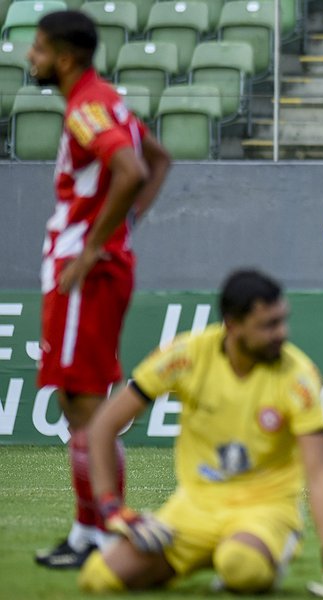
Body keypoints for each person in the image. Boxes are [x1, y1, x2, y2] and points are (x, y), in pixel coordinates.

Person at [78, 270, 323, 598]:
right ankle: (196, 557)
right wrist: (112, 507)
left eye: (282, 321)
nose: (282, 333)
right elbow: (103, 427)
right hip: (193, 508)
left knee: (240, 566)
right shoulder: (185, 355)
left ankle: (263, 551)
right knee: (98, 578)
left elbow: (320, 474)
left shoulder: (299, 376)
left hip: (266, 509)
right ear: (233, 324)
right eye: (268, 325)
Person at [29, 11, 172, 568]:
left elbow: (133, 169)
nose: (30, 58)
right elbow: (159, 159)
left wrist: (95, 245)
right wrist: (124, 229)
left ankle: (103, 528)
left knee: (86, 405)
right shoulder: (107, 99)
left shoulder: (87, 106)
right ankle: (89, 529)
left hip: (84, 269)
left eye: (38, 50)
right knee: (77, 401)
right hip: (96, 265)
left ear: (64, 57)